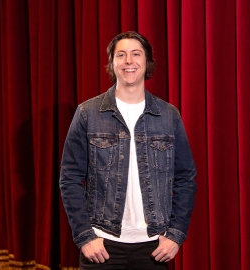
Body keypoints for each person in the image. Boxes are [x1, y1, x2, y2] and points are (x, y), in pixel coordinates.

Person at [59, 31, 197, 269]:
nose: (128, 61)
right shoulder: (87, 113)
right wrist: (85, 236)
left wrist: (175, 234)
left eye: (136, 54)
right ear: (112, 63)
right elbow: (70, 178)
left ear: (147, 62)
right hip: (103, 246)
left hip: (154, 248)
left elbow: (186, 178)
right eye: (120, 55)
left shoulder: (168, 115)